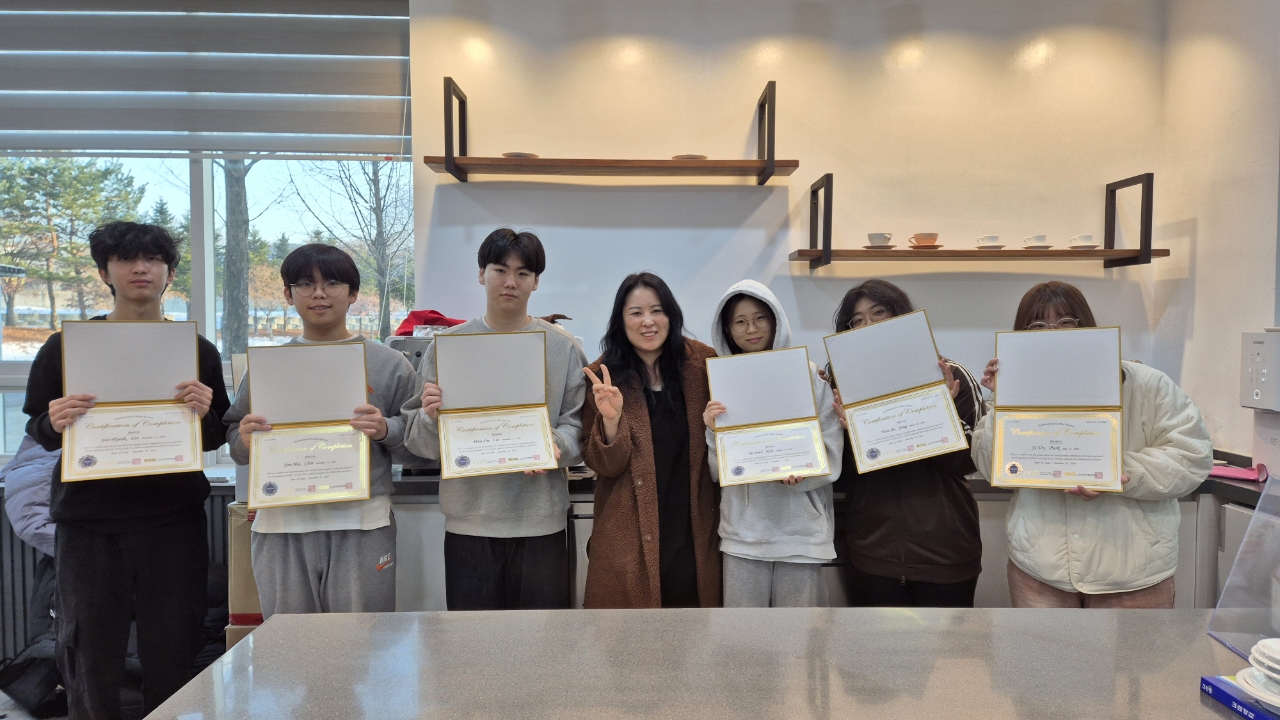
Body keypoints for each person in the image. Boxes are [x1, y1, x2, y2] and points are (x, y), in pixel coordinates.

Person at [23, 221, 230, 719]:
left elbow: (214, 436)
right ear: (104, 272)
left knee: (174, 647)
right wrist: (54, 420)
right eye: (126, 259)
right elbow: (39, 428)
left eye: (154, 259)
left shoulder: (197, 350)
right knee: (89, 652)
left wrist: (204, 412)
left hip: (172, 521)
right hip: (89, 524)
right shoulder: (65, 347)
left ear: (170, 273)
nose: (141, 268)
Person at [971, 281, 1212, 608]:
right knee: (1039, 646)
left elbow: (1192, 456)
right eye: (1037, 326)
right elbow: (991, 467)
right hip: (1040, 571)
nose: (1053, 334)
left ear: (1086, 324)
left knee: (1137, 647)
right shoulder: (1016, 391)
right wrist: (1004, 398)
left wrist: (1115, 472)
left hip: (1133, 575)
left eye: (1066, 322)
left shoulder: (1147, 384)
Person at [224, 244, 422, 618]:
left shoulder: (390, 364)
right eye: (305, 284)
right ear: (288, 294)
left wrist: (386, 430)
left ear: (353, 293)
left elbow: (418, 446)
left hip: (363, 524)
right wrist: (244, 440)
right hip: (281, 526)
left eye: (332, 283)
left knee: (363, 642)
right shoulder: (267, 365)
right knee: (290, 644)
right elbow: (236, 437)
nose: (319, 293)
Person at [401, 228, 588, 610]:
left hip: (541, 521)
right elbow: (418, 441)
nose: (510, 282)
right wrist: (430, 416)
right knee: (472, 641)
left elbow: (579, 427)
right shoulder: (447, 347)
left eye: (523, 273)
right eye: (500, 270)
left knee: (543, 639)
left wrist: (554, 446)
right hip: (469, 522)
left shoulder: (563, 347)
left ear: (536, 281)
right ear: (481, 274)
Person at [828, 280, 985, 608]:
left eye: (879, 312)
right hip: (872, 552)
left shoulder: (950, 375)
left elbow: (969, 463)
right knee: (874, 644)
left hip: (946, 551)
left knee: (950, 643)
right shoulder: (840, 387)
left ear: (901, 314)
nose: (868, 325)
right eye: (857, 320)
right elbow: (841, 475)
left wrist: (940, 415)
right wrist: (850, 434)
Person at [580, 272, 721, 608]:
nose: (648, 321)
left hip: (692, 530)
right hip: (626, 538)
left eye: (657, 310)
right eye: (636, 313)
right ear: (621, 320)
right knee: (629, 637)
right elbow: (603, 465)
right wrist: (611, 421)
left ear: (671, 315)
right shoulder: (603, 377)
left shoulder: (703, 365)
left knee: (695, 629)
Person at [703, 280, 843, 607]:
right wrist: (712, 431)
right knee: (743, 635)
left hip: (801, 535)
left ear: (776, 319)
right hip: (743, 534)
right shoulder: (722, 383)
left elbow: (832, 452)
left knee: (799, 635)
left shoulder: (809, 375)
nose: (751, 329)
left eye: (760, 318)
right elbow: (718, 472)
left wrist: (804, 474)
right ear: (727, 330)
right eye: (740, 321)